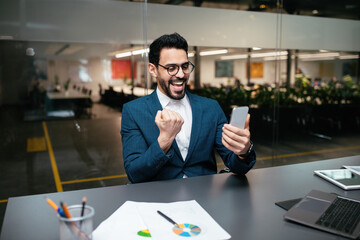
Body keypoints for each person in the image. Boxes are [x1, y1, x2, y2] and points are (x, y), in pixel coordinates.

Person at [120, 33, 256, 183]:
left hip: (204, 197)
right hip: (159, 199)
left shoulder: (211, 108)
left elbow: (236, 165)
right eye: (171, 68)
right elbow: (134, 173)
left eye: (185, 66)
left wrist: (243, 152)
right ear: (153, 70)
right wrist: (164, 141)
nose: (181, 74)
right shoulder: (133, 111)